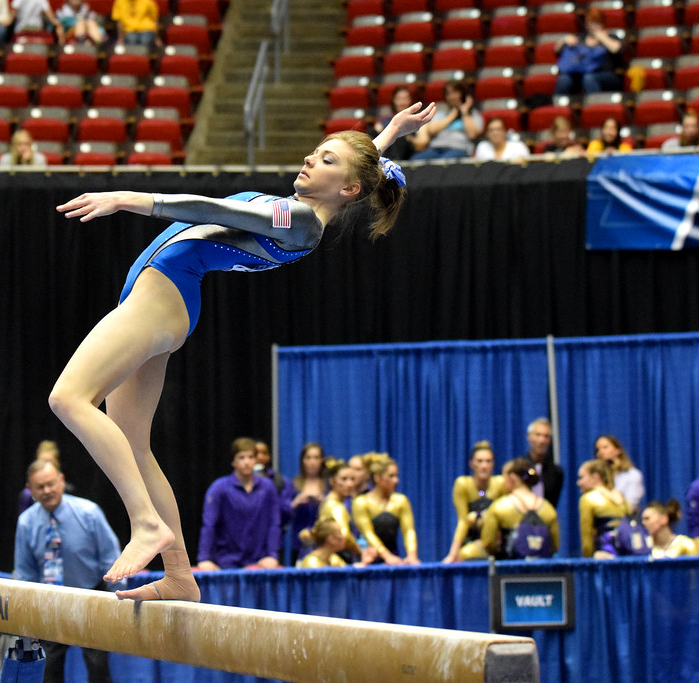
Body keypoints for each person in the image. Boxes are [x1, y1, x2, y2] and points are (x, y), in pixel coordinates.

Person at [49, 99, 435, 601]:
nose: (310, 159)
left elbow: (213, 210)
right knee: (134, 445)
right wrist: (389, 134)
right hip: (161, 300)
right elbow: (358, 168)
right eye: (316, 151)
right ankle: (180, 576)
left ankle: (145, 523)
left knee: (69, 398)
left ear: (348, 188)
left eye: (325, 159)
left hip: (164, 294)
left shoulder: (300, 220)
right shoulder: (305, 211)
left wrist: (131, 198)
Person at [14, 459, 120, 682]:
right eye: (40, 487)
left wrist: (116, 599)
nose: (47, 491)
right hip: (51, 601)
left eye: (51, 484)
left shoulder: (89, 513)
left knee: (98, 666)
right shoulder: (26, 522)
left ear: (61, 481)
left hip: (91, 596)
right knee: (48, 670)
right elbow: (25, 572)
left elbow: (111, 557)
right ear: (29, 489)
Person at [196, 437, 282, 570]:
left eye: (251, 457)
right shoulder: (219, 488)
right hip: (226, 561)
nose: (247, 462)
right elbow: (209, 524)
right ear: (233, 461)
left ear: (256, 460)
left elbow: (274, 523)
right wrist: (204, 558)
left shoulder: (268, 487)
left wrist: (272, 555)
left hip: (260, 562)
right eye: (241, 457)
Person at [480, 457, 560, 559]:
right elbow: (555, 546)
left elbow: (488, 543)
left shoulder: (499, 507)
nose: (503, 481)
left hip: (508, 570)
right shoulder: (548, 509)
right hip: (541, 571)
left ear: (512, 477)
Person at [442, 440, 506, 563]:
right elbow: (462, 521)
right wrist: (452, 554)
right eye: (480, 461)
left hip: (494, 541)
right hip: (471, 540)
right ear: (471, 463)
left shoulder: (500, 484)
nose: (484, 466)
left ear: (493, 464)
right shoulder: (463, 484)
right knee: (464, 554)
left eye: (488, 461)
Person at [351, 453, 420, 564]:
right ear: (377, 478)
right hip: (369, 558)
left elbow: (409, 531)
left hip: (394, 557)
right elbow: (368, 534)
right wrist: (387, 556)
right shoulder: (361, 502)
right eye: (391, 476)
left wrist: (412, 555)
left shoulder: (401, 501)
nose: (396, 480)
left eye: (396, 476)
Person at [553, 7, 623, 96]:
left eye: (595, 23)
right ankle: (556, 107)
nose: (592, 26)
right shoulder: (581, 38)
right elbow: (556, 52)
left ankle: (594, 106)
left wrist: (601, 37)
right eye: (589, 23)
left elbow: (617, 50)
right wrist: (563, 40)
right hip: (581, 72)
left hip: (605, 74)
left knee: (589, 78)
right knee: (564, 78)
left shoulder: (611, 36)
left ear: (602, 23)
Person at [411, 79, 481, 161]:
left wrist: (464, 112)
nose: (452, 97)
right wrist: (452, 116)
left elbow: (472, 134)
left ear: (462, 94)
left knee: (442, 163)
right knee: (415, 160)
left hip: (459, 149)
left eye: (455, 92)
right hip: (436, 148)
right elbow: (431, 130)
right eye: (448, 94)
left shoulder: (473, 114)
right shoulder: (441, 114)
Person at [314, 458, 366, 563]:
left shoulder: (329, 502)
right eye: (344, 479)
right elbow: (345, 535)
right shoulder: (335, 506)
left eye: (352, 479)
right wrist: (360, 551)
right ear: (332, 481)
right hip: (338, 557)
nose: (349, 484)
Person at [576, 459, 630, 559]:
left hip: (604, 556)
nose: (578, 483)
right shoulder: (621, 498)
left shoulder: (587, 499)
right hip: (627, 555)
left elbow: (586, 537)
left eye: (581, 477)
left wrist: (588, 559)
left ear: (595, 476)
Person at [288, 441, 327, 564]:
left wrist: (324, 503)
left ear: (321, 460)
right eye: (308, 458)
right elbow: (282, 513)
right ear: (302, 461)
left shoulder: (328, 484)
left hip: (324, 542)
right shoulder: (294, 484)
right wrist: (296, 502)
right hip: (299, 542)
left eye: (316, 458)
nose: (312, 462)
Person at [522, 417, 564, 509]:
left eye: (546, 436)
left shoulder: (556, 473)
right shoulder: (518, 468)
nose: (541, 441)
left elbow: (553, 505)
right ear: (528, 436)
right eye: (538, 435)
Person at [371, 86, 422, 161]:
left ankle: (392, 164)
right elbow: (375, 132)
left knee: (398, 133)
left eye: (405, 99)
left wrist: (409, 138)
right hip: (387, 150)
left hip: (407, 152)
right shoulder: (386, 120)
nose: (401, 103)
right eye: (398, 99)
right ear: (393, 101)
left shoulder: (418, 119)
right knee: (371, 132)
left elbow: (422, 143)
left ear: (411, 101)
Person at [594, 434, 644, 510]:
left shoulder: (632, 474)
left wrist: (602, 489)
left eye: (605, 447)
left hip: (625, 519)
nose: (600, 452)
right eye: (597, 449)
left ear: (618, 450)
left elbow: (630, 506)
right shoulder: (597, 477)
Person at [17, 440, 62, 515]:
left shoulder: (68, 490)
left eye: (49, 461)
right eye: (41, 462)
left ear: (57, 463)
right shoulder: (28, 495)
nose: (47, 491)